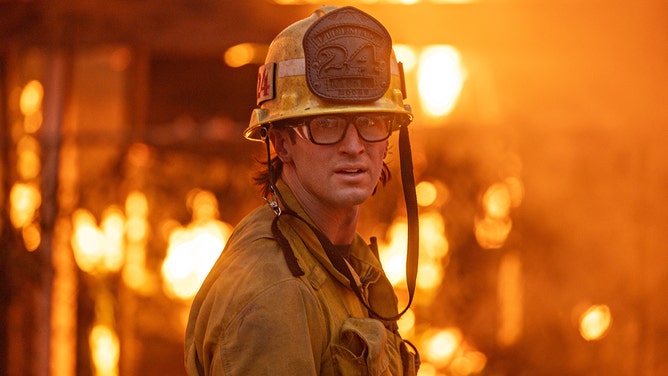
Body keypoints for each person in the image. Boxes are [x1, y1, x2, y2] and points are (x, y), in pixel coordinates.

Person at [185, 5, 420, 375]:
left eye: (371, 121)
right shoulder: (272, 296)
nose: (354, 146)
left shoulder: (343, 262)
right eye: (327, 124)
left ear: (389, 139)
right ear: (281, 142)